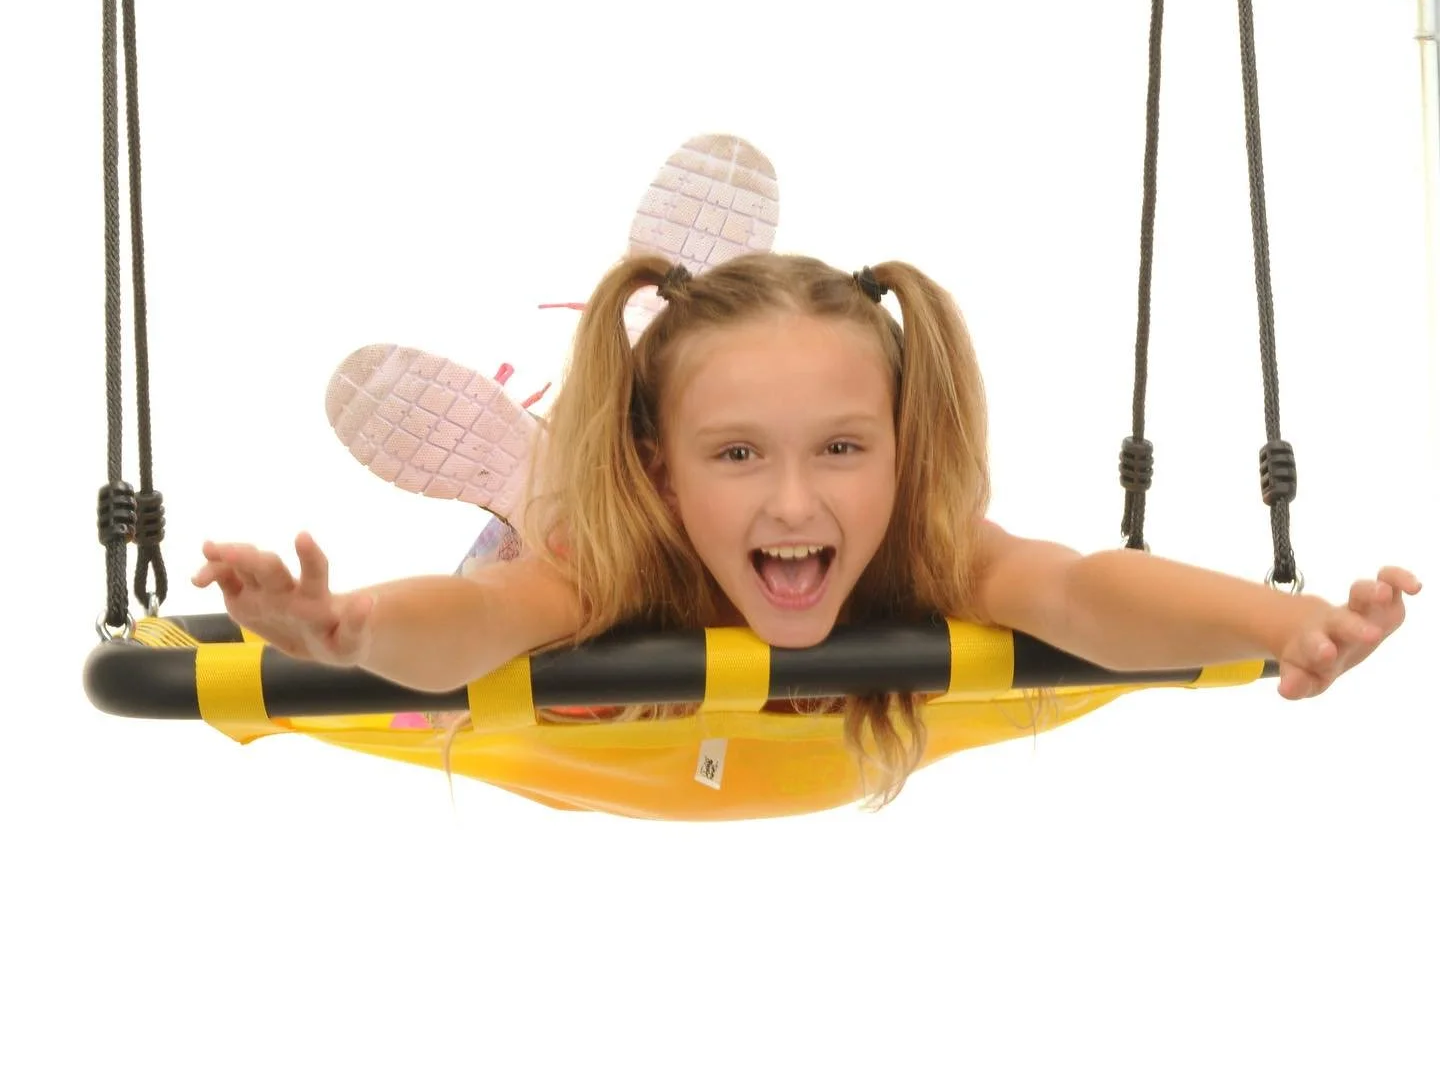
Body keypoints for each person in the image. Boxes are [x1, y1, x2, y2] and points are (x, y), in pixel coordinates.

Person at [192, 251, 1420, 806]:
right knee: (541, 551)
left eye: (843, 448)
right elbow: (473, 625)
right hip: (588, 740)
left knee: (1003, 578)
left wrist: (1291, 622)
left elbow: (1088, 593)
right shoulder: (620, 558)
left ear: (902, 444)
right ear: (662, 473)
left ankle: (629, 430)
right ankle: (542, 475)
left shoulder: (928, 543)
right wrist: (346, 631)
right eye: (736, 456)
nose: (794, 504)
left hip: (793, 746)